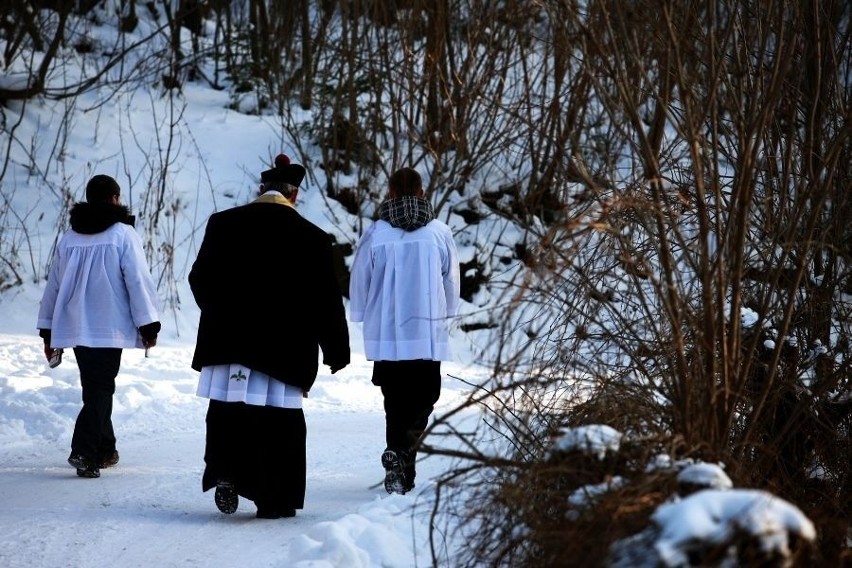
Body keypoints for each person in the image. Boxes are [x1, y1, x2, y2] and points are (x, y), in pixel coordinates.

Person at [189, 153, 350, 519]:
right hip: (284, 348)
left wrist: (219, 313)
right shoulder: (312, 238)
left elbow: (199, 278)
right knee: (280, 423)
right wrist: (336, 350)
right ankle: (273, 498)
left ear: (261, 189)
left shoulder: (222, 224)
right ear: (294, 195)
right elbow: (326, 301)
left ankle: (227, 471)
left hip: (228, 340)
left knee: (228, 409)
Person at [37, 174, 161, 479]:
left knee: (95, 388)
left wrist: (48, 329)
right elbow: (137, 280)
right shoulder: (122, 234)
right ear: (115, 199)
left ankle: (106, 449)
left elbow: (54, 284)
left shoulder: (70, 237)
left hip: (75, 325)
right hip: (108, 326)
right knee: (100, 388)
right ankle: (84, 451)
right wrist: (148, 324)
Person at [349, 167, 460, 494]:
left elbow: (360, 280)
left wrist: (361, 314)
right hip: (426, 333)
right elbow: (451, 280)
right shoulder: (439, 232)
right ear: (422, 193)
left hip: (388, 333)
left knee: (394, 400)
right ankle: (401, 457)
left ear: (391, 194)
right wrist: (448, 316)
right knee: (425, 398)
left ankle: (397, 455)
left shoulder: (376, 233)